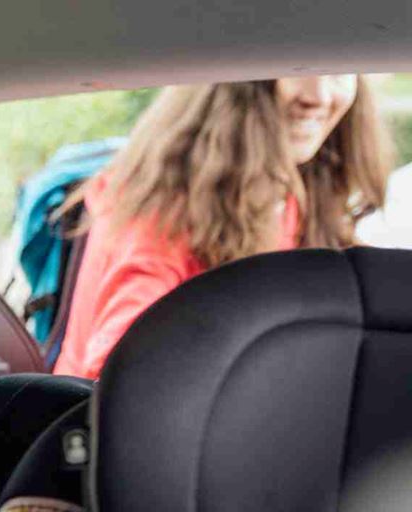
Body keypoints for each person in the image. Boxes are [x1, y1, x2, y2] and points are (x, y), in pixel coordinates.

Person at [52, 76, 392, 379]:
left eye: (337, 70)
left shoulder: (294, 192)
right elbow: (119, 374)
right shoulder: (164, 207)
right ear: (235, 84)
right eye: (296, 65)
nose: (317, 94)